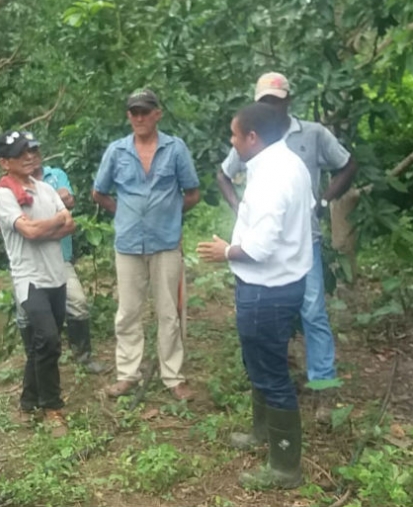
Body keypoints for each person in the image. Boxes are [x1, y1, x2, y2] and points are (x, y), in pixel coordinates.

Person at [216, 72, 358, 388]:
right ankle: (274, 376)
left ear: (288, 101)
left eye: (277, 101)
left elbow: (347, 164)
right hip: (265, 249)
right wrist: (239, 207)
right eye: (265, 101)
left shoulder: (313, 134)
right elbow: (224, 174)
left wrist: (323, 200)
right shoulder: (251, 137)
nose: (272, 107)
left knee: (312, 311)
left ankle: (322, 382)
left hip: (303, 240)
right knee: (270, 315)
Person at [198, 102, 313, 489]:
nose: (231, 141)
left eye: (234, 134)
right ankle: (262, 432)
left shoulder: (271, 178)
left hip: (268, 288)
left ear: (252, 137)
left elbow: (261, 247)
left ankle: (284, 468)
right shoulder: (289, 164)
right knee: (261, 363)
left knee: (271, 371)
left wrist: (224, 252)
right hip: (281, 283)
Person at [92, 88, 200, 401]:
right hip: (127, 243)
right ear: (128, 116)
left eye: (145, 111)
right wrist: (124, 213)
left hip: (166, 243)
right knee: (127, 312)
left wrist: (169, 217)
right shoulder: (117, 151)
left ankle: (173, 377)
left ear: (157, 113)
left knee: (169, 311)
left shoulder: (175, 148)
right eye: (134, 112)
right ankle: (127, 375)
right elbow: (99, 192)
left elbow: (192, 193)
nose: (139, 117)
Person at [0, 129, 75, 437]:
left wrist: (45, 228)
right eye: (20, 153)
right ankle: (52, 408)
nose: (29, 157)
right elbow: (30, 232)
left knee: (43, 343)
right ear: (4, 162)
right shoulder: (5, 194)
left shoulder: (43, 188)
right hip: (30, 280)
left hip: (56, 275)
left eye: (32, 151)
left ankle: (27, 402)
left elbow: (72, 223)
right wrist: (54, 223)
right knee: (49, 340)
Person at [17, 132, 107, 374]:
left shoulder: (56, 175)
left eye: (34, 151)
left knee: (77, 303)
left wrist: (41, 221)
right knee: (24, 314)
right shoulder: (11, 185)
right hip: (26, 263)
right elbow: (27, 222)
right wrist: (55, 208)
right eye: (25, 152)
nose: (31, 157)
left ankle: (83, 357)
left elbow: (70, 209)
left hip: (60, 257)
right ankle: (34, 361)